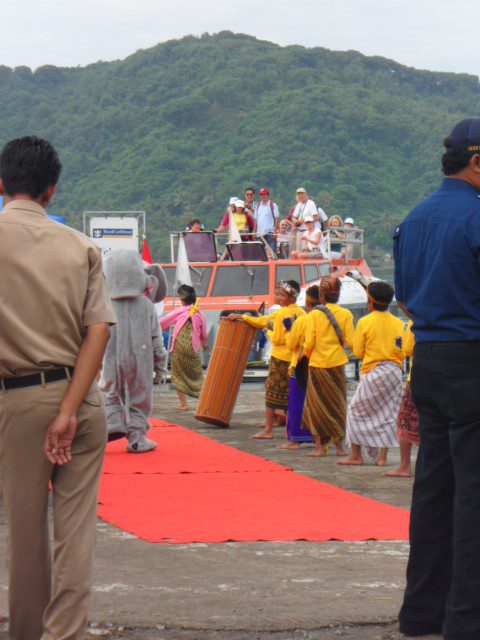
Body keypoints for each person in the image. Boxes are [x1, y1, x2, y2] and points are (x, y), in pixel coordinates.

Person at [0, 136, 116, 640]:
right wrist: (70, 409)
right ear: (52, 190)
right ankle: (64, 634)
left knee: (27, 534)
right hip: (83, 402)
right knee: (76, 532)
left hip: (20, 401)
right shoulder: (81, 245)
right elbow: (99, 330)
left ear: (1, 185)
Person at [395, 118, 480, 639]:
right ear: (477, 162)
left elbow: (403, 296)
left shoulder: (415, 217)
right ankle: (466, 620)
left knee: (432, 490)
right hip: (472, 360)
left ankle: (421, 613)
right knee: (474, 494)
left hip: (427, 359)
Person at [100, 250, 168, 452]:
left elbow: (95, 335)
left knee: (110, 390)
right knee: (140, 396)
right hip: (141, 359)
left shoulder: (104, 305)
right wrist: (160, 363)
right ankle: (137, 438)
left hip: (110, 359)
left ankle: (113, 421)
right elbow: (156, 337)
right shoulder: (146, 305)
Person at [338, 281, 404, 467]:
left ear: (370, 301)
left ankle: (356, 455)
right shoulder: (398, 322)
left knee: (355, 411)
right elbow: (402, 349)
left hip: (374, 371)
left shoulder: (365, 322)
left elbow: (358, 352)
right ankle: (382, 458)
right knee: (389, 412)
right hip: (394, 371)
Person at [229, 280, 305, 439]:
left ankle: (268, 430)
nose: (277, 296)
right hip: (294, 359)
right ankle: (290, 431)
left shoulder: (283, 313)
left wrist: (268, 332)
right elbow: (264, 321)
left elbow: (277, 339)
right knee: (290, 395)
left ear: (291, 297)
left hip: (280, 358)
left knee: (272, 395)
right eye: (277, 293)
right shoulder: (300, 312)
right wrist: (244, 317)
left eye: (281, 294)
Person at [302, 277, 355, 456]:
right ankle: (339, 448)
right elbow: (351, 342)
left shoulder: (314, 315)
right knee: (338, 405)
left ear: (322, 296)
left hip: (318, 364)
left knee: (316, 406)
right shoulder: (346, 314)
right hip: (338, 363)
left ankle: (319, 448)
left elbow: (309, 344)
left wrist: (309, 356)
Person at [278, 285, 320, 450]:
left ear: (308, 302)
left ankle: (295, 439)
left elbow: (291, 344)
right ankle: (319, 437)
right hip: (320, 365)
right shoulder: (328, 317)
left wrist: (289, 330)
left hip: (300, 365)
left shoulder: (302, 320)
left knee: (296, 403)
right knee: (317, 403)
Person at [160, 284, 208, 410]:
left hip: (180, 346)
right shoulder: (200, 314)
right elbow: (203, 334)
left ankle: (183, 404)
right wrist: (204, 344)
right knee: (197, 375)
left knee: (177, 374)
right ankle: (205, 400)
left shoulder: (179, 311)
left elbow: (163, 322)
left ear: (182, 301)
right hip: (193, 348)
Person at [383, 320, 418, 478]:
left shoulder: (417, 315)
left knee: (405, 419)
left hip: (420, 374)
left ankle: (404, 466)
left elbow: (407, 347)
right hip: (456, 372)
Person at [253, 187, 279, 253]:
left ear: (267, 195)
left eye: (264, 194)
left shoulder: (272, 205)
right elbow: (255, 220)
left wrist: (275, 231)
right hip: (259, 233)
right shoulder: (257, 206)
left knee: (272, 252)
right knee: (259, 253)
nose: (262, 196)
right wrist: (254, 232)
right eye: (261, 195)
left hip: (270, 232)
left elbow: (276, 218)